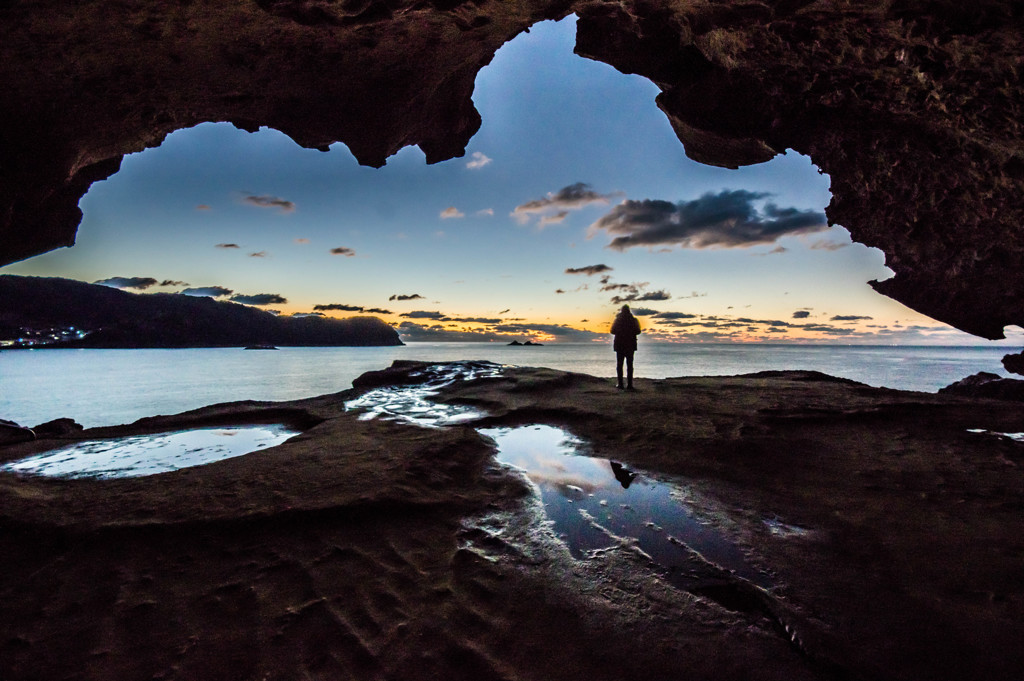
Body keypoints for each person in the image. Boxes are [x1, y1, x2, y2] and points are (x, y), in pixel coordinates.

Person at [610, 304, 641, 390]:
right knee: (630, 365)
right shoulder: (634, 320)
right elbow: (638, 331)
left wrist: (620, 332)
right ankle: (629, 385)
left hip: (620, 345)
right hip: (630, 345)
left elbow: (612, 331)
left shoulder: (618, 320)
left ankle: (620, 384)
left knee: (620, 365)